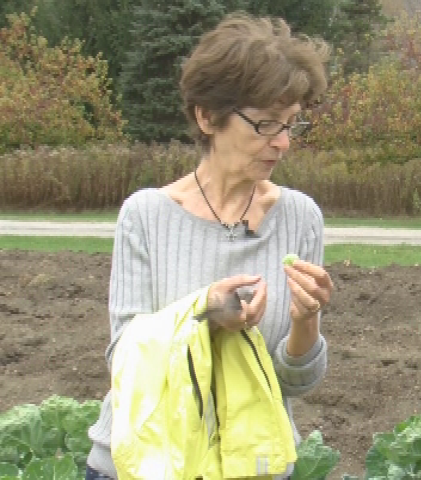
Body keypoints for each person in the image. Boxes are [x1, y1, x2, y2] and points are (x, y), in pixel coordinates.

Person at [85, 12, 335, 479]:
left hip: (251, 465)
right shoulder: (146, 215)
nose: (281, 143)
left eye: (290, 124)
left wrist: (307, 319)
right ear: (207, 116)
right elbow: (125, 356)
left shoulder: (301, 217)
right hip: (147, 464)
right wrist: (205, 313)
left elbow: (294, 384)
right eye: (264, 124)